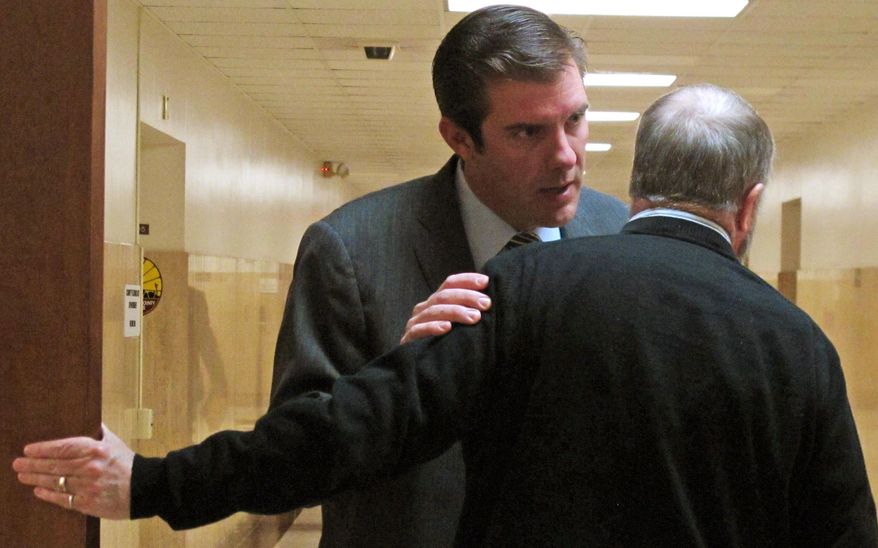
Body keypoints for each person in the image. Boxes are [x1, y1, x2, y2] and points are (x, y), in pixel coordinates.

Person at [15, 84, 877, 546]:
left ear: (639, 180)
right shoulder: (798, 345)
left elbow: (348, 430)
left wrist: (154, 484)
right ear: (750, 204)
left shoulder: (522, 290)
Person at [266, 4, 626, 547]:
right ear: (459, 138)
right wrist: (395, 384)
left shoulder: (622, 235)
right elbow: (291, 466)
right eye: (527, 132)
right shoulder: (350, 251)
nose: (565, 157)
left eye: (574, 119)